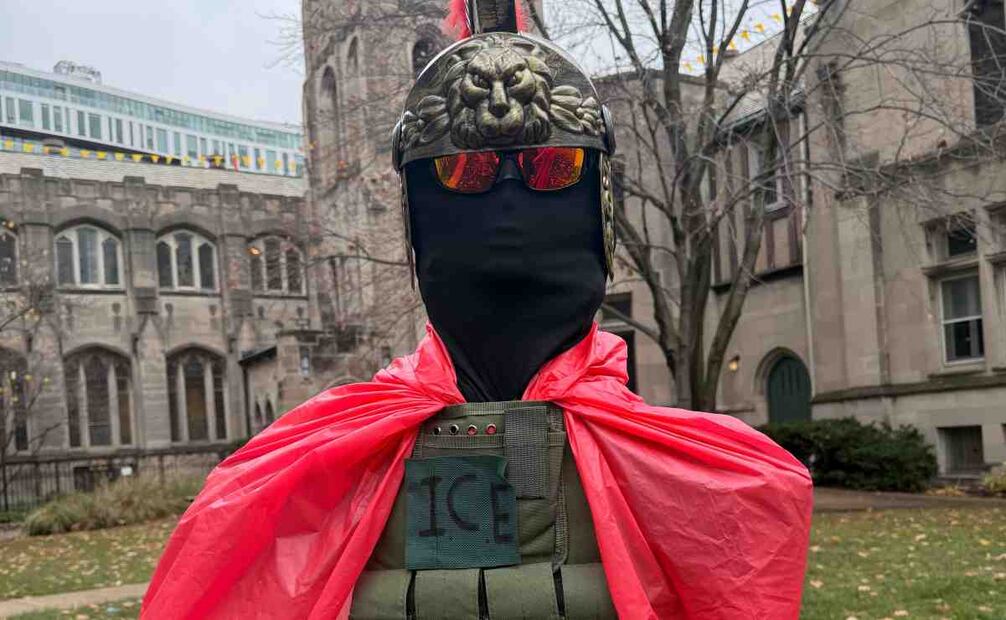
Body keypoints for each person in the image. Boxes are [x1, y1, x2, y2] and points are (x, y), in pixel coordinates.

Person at [141, 2, 812, 618]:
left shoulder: (711, 478)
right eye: (468, 176)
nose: (509, 205)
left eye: (550, 170)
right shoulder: (317, 463)